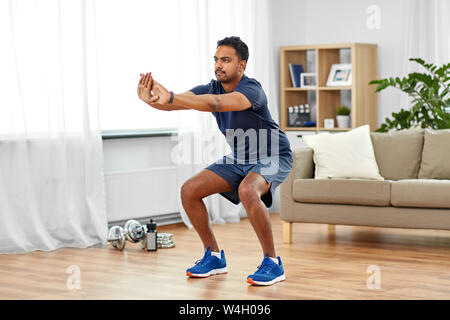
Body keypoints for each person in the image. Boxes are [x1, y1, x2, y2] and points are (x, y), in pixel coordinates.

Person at [137, 36, 293, 286]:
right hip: (239, 158)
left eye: (226, 60)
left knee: (248, 190)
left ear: (241, 66)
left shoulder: (252, 89)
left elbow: (218, 104)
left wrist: (173, 96)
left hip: (273, 154)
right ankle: (213, 256)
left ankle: (272, 263)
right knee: (189, 190)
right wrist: (153, 101)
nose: (219, 65)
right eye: (216, 59)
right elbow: (175, 103)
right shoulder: (211, 87)